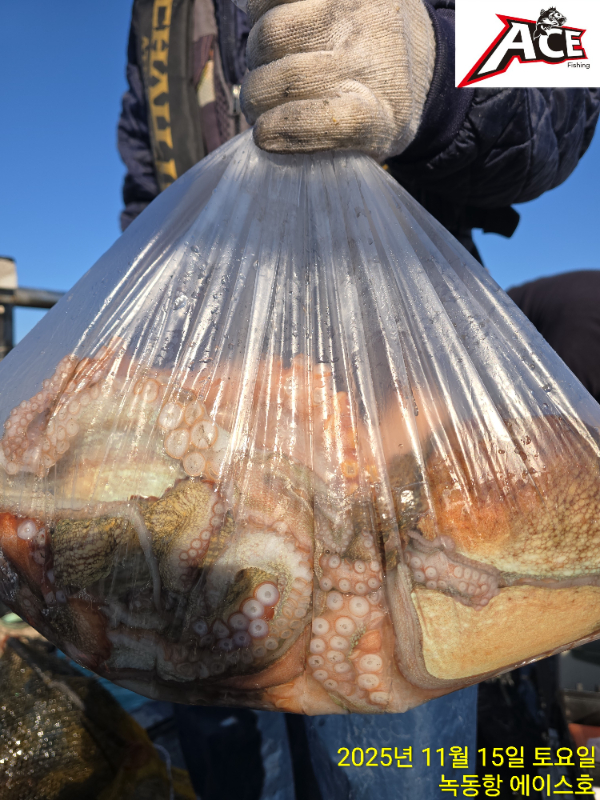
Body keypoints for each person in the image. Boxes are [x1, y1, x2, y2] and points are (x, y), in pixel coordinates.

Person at [117, 1, 600, 798]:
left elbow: (570, 48)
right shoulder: (154, 10)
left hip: (395, 415)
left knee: (387, 765)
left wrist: (433, 67)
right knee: (228, 761)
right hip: (201, 456)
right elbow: (148, 184)